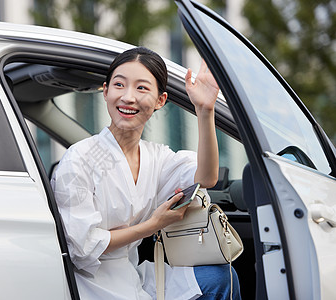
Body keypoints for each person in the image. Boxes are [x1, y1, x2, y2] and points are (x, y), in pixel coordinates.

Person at [51, 47, 241, 299]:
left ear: (160, 100)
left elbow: (206, 178)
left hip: (132, 273)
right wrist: (153, 225)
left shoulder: (156, 157)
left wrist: (205, 111)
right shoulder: (80, 159)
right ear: (105, 91)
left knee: (219, 278)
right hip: (90, 284)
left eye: (141, 88)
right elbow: (82, 249)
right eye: (119, 85)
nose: (128, 97)